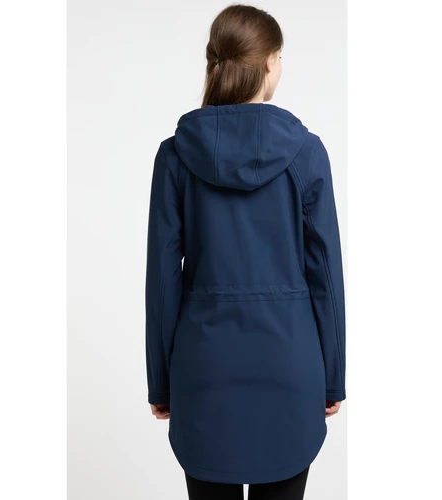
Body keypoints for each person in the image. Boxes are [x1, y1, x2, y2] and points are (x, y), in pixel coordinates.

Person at [145, 4, 346, 499]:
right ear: (270, 63)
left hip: (204, 367)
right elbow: (325, 273)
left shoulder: (175, 155)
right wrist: (333, 376)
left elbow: (163, 279)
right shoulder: (306, 152)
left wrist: (161, 381)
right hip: (290, 364)